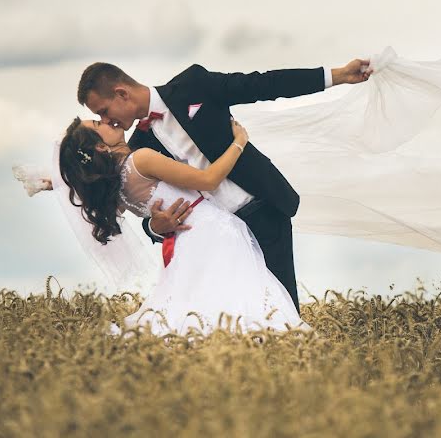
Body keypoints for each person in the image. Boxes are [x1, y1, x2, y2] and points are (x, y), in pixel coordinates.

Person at [77, 58, 372, 312]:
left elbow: (263, 85)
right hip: (217, 238)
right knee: (234, 319)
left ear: (121, 93)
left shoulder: (193, 84)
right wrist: (157, 227)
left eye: (103, 111)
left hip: (264, 210)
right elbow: (144, 206)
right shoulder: (139, 149)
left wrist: (337, 75)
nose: (105, 120)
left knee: (283, 313)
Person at [58, 115, 301, 335]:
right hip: (213, 232)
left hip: (189, 242)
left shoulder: (115, 188)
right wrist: (239, 142)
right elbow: (209, 180)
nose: (106, 120)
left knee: (209, 307)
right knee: (247, 302)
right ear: (100, 146)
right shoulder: (141, 160)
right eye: (98, 125)